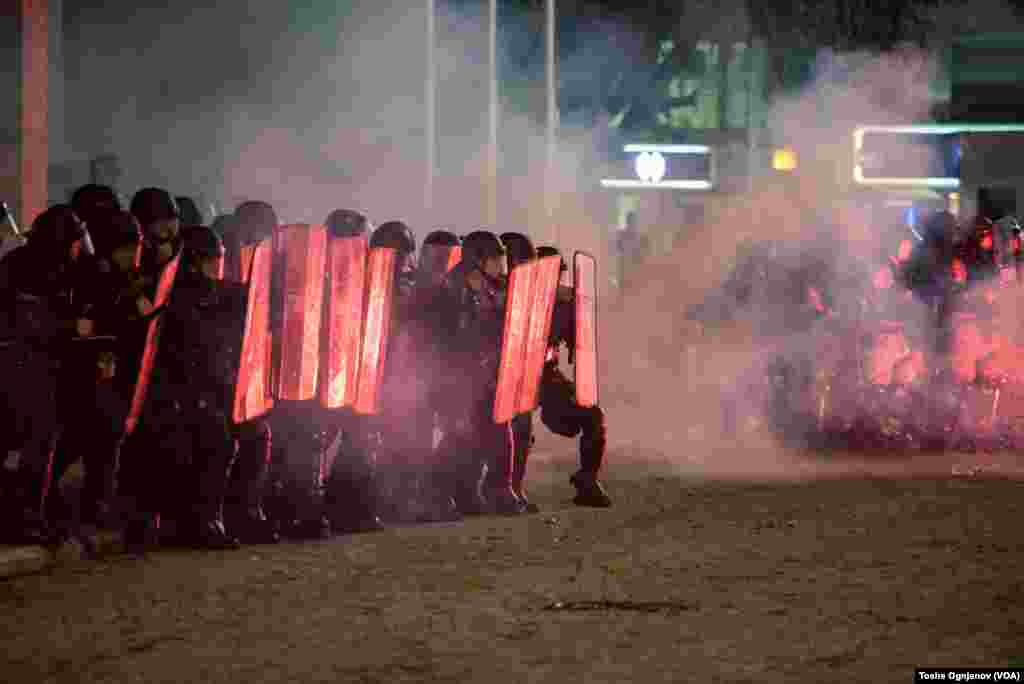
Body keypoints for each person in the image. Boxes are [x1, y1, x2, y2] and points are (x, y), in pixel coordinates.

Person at [0, 206, 93, 543]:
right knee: (35, 442)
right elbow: (26, 321)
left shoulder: (52, 267)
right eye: (74, 241)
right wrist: (70, 326)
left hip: (38, 368)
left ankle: (30, 513)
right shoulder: (25, 268)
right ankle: (24, 518)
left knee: (42, 441)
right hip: (20, 369)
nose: (79, 248)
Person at [434, 231, 524, 515]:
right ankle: (438, 492)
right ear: (477, 261)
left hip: (484, 375)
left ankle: (483, 491)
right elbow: (456, 337)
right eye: (495, 260)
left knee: (494, 431)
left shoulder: (489, 286)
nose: (501, 266)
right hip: (459, 377)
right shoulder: (457, 288)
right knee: (460, 435)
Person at [535, 245, 612, 507]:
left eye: (560, 276)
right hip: (503, 378)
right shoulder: (512, 300)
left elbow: (577, 342)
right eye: (551, 276)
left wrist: (579, 311)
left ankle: (587, 480)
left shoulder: (563, 305)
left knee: (592, 416)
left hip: (546, 377)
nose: (557, 283)